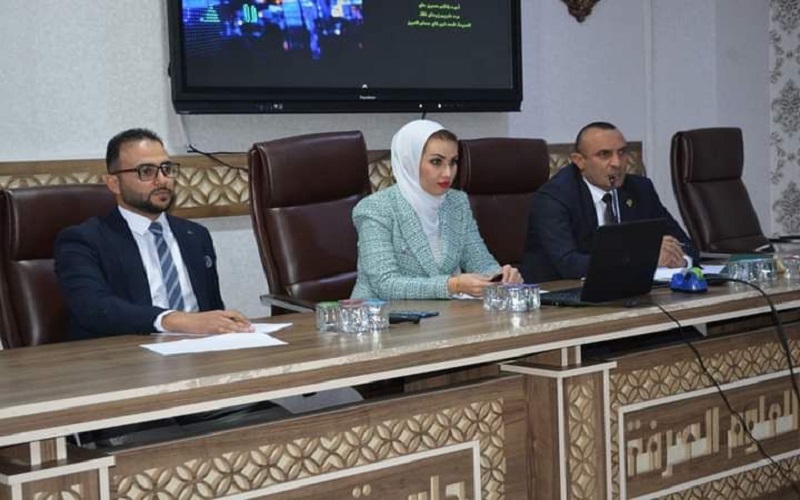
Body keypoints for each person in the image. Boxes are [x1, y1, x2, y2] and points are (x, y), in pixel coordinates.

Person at [55, 128, 252, 341]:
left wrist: (225, 323)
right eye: (146, 171)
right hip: (131, 358)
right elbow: (93, 308)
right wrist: (175, 320)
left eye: (166, 168)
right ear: (114, 184)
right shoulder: (85, 240)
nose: (162, 180)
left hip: (203, 352)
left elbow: (211, 308)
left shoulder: (195, 235)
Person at [351, 119, 522, 299]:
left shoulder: (457, 202)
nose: (448, 173)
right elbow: (385, 284)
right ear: (411, 160)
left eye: (453, 162)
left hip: (444, 316)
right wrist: (453, 285)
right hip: (381, 318)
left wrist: (501, 277)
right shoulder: (376, 208)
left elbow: (480, 261)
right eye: (436, 162)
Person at [520, 121, 699, 283]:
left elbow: (688, 246)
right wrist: (644, 257)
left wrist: (680, 259)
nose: (617, 163)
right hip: (558, 295)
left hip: (627, 291)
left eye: (621, 152)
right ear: (579, 161)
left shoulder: (640, 189)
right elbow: (569, 264)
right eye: (604, 154)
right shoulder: (553, 198)